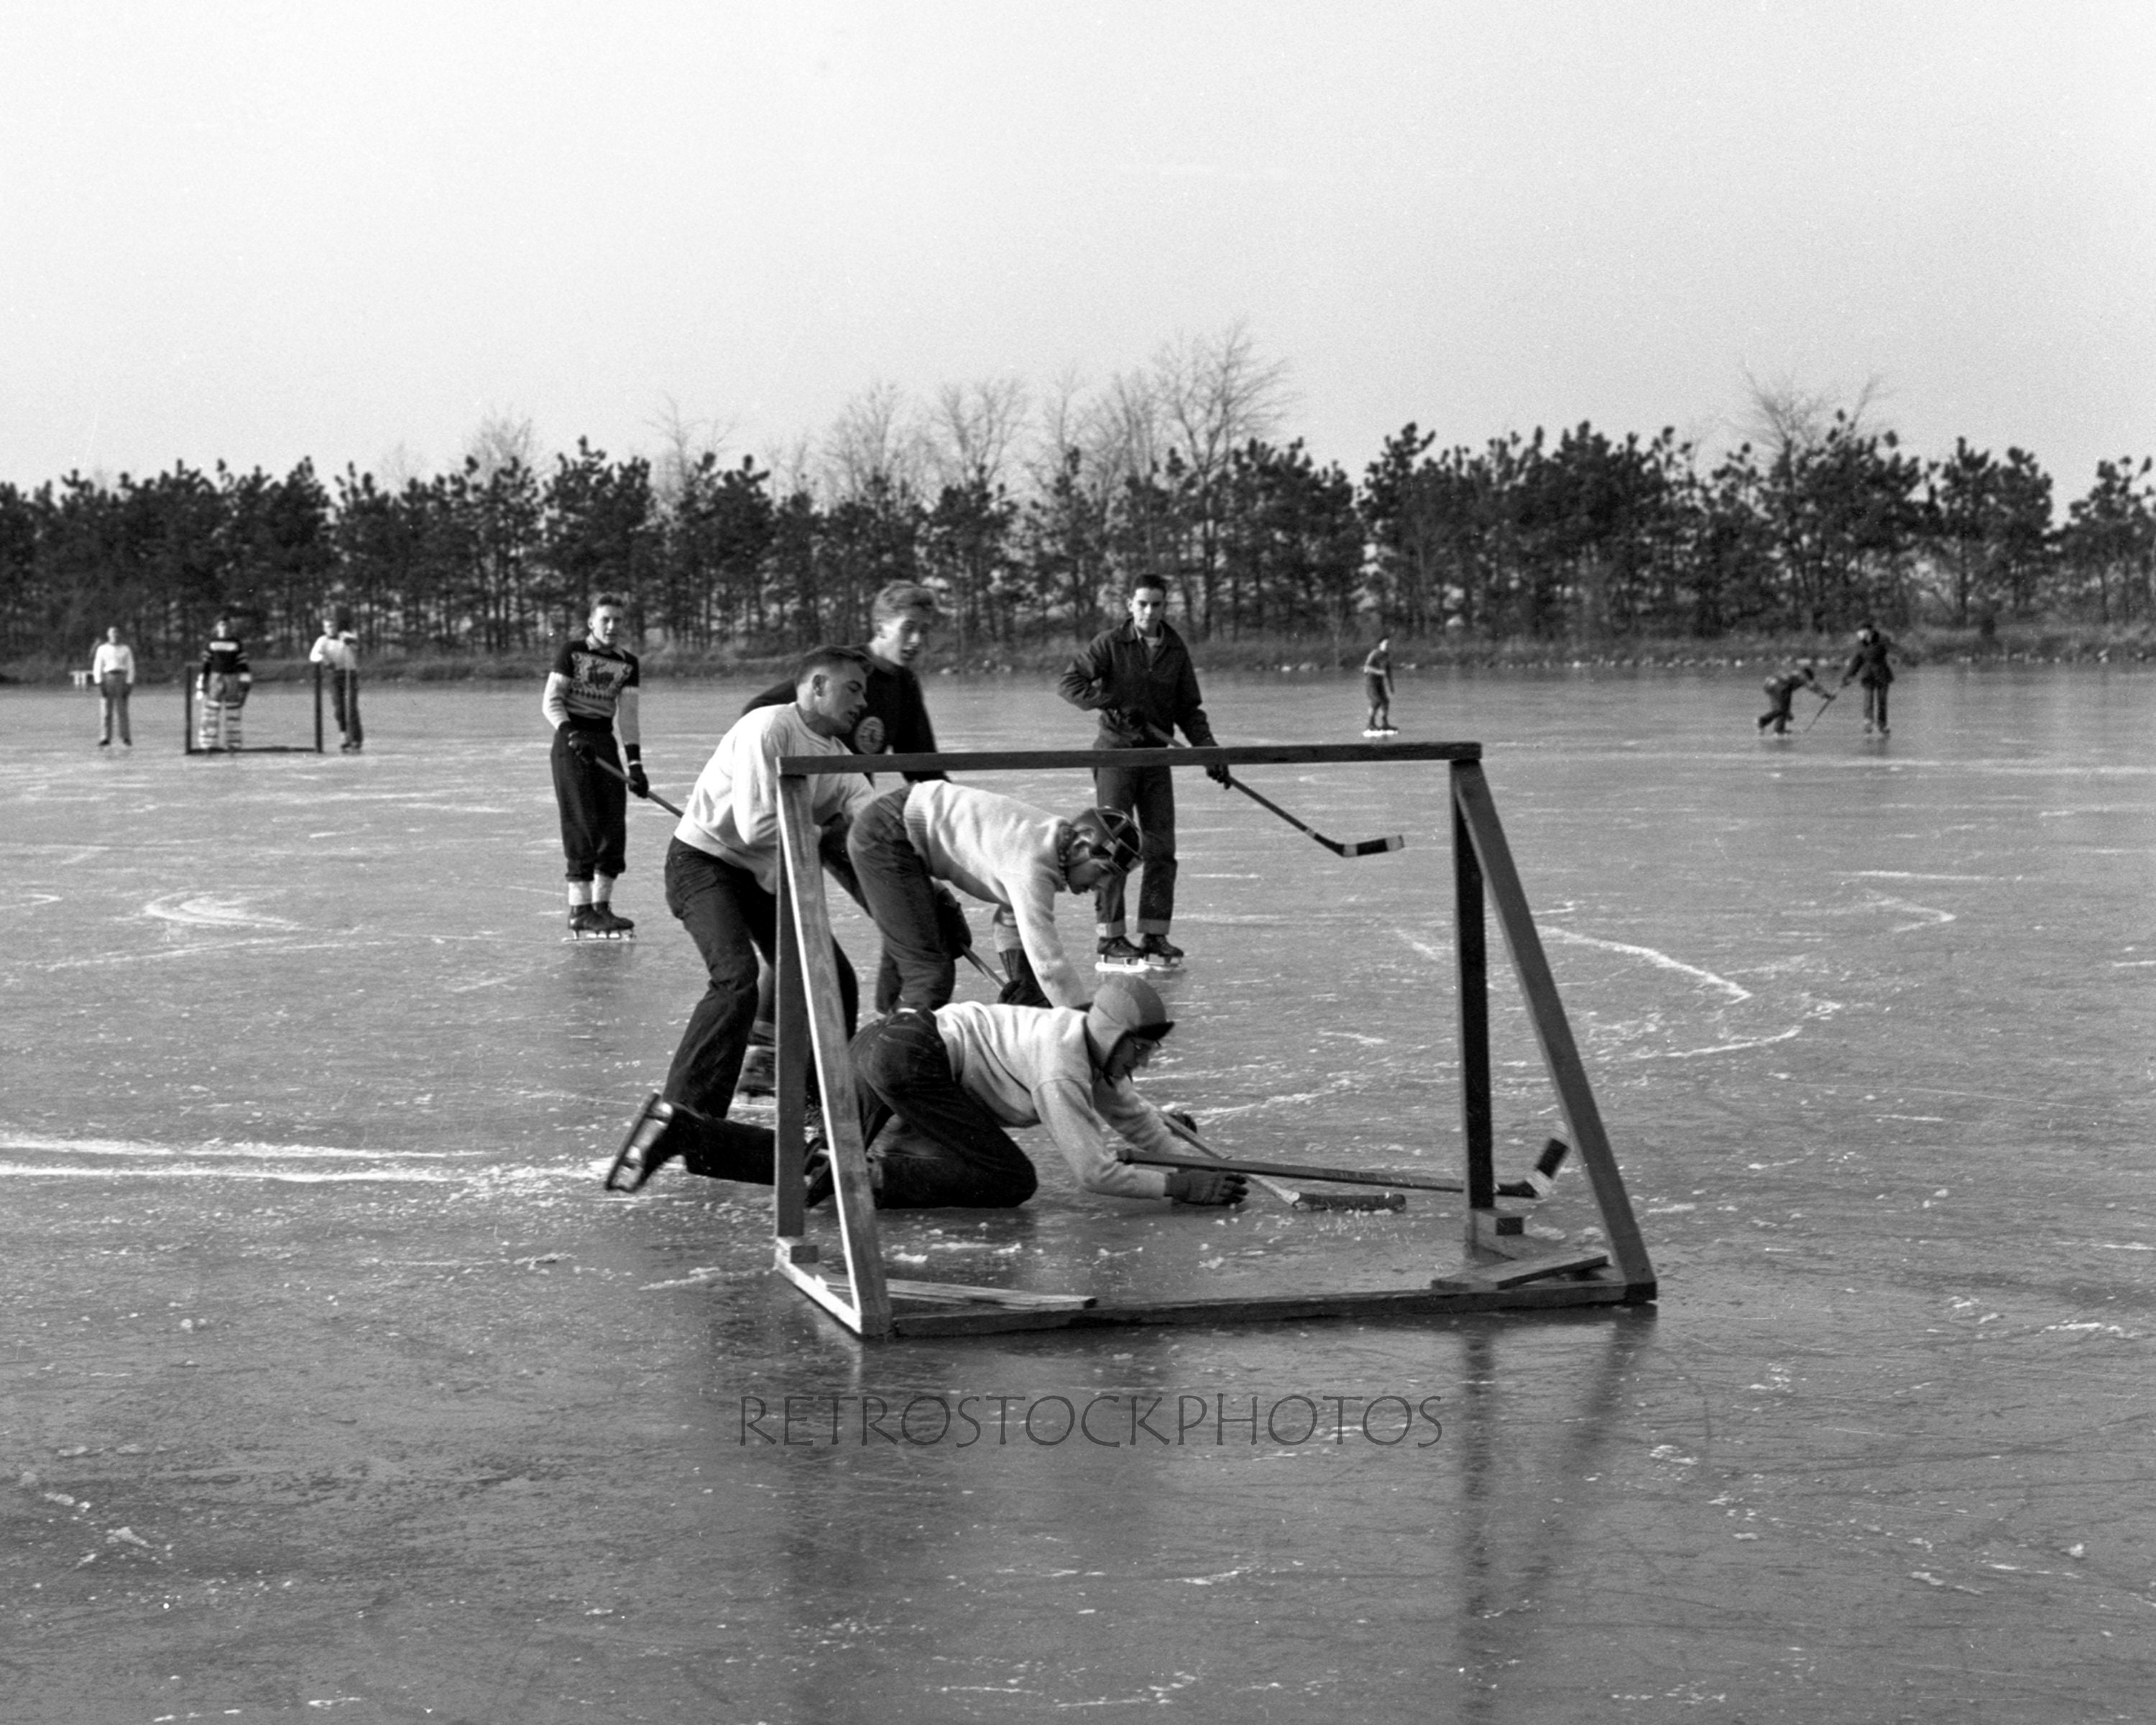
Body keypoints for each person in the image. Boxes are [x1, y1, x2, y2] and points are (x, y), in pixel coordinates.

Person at [610, 974, 1246, 1210]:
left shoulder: (1089, 1050)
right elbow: (1092, 1172)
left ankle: (685, 1133)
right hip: (913, 1061)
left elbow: (1139, 1124)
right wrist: (1178, 1187)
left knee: (824, 1163)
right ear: (1113, 1034)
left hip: (890, 1043)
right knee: (1010, 1180)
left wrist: (1199, 1162)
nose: (1146, 1058)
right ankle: (878, 1177)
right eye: (1142, 1045)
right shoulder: (1063, 1065)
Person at [733, 581, 949, 1094]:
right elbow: (758, 716)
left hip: (859, 823)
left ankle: (887, 1024)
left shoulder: (904, 685)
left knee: (908, 913)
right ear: (881, 629)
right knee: (897, 921)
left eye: (925, 631)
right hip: (819, 821)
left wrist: (956, 822)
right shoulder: (846, 674)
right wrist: (795, 784)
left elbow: (925, 766)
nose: (917, 640)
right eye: (908, 629)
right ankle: (771, 1052)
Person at [655, 645, 878, 1123]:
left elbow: (875, 825)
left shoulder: (839, 759)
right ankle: (686, 1112)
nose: (863, 703)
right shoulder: (768, 728)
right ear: (817, 686)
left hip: (761, 877)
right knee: (736, 981)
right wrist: (826, 833)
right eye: (853, 689)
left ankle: (825, 1109)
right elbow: (758, 826)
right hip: (704, 864)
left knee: (834, 980)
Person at [847, 780, 1143, 1016]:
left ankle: (885, 1029)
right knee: (929, 973)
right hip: (890, 835)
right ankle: (892, 1059)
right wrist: (1086, 1027)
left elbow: (1009, 919)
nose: (1102, 885)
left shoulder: (1053, 840)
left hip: (901, 829)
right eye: (1103, 871)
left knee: (918, 949)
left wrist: (1023, 982)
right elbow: (1050, 966)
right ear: (1081, 846)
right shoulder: (1033, 866)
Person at [1056, 576, 1230, 972]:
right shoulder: (1110, 644)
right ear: (1129, 605)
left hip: (1156, 760)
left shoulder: (1174, 649)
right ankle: (1111, 938)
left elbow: (1189, 710)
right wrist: (1112, 701)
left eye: (1157, 605)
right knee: (1113, 847)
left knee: (1161, 848)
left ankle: (1154, 935)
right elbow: (1069, 683)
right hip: (1116, 756)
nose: (1149, 612)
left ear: (1165, 606)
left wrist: (1211, 751)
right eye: (1142, 604)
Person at [542, 595, 646, 938]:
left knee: (612, 826)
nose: (613, 626)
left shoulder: (628, 663)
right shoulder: (571, 653)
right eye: (606, 620)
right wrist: (571, 734)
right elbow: (551, 702)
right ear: (592, 623)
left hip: (603, 743)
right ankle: (580, 910)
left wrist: (635, 765)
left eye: (618, 620)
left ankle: (602, 908)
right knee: (582, 823)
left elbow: (628, 716)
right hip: (572, 743)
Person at [309, 613, 364, 753]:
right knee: (339, 708)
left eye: (333, 626)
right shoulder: (322, 641)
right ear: (324, 628)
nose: (331, 629)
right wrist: (324, 660)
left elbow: (357, 646)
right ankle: (344, 736)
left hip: (349, 674)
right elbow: (313, 655)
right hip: (334, 676)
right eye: (328, 626)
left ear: (337, 627)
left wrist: (352, 643)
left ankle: (356, 740)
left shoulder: (345, 635)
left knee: (351, 707)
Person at [196, 617, 251, 751]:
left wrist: (245, 686)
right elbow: (206, 665)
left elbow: (243, 665)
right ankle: (208, 744)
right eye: (221, 624)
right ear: (217, 627)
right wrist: (202, 682)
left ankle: (234, 744)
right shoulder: (211, 643)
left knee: (233, 711)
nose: (224, 627)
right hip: (215, 678)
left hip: (232, 678)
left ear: (230, 627)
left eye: (226, 625)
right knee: (211, 711)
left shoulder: (236, 643)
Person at [1840, 622, 1897, 737]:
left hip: (1882, 674)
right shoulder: (1860, 645)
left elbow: (1892, 649)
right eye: (1858, 633)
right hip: (1867, 675)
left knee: (1882, 701)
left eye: (1861, 632)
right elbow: (1856, 662)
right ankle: (1868, 722)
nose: (1859, 635)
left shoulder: (1882, 640)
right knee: (1868, 699)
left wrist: (1902, 657)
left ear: (1868, 631)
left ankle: (1882, 725)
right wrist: (1846, 677)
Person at [91, 627, 134, 748]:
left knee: (122, 711)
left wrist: (129, 683)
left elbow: (130, 666)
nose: (115, 635)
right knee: (106, 710)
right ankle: (105, 737)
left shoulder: (125, 649)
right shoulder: (102, 649)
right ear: (108, 635)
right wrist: (99, 682)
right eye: (112, 633)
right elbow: (98, 666)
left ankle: (125, 737)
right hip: (108, 678)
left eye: (116, 633)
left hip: (121, 677)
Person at [1756, 660, 1825, 736]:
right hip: (1779, 686)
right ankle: (1762, 721)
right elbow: (1812, 685)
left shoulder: (1792, 675)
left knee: (1780, 709)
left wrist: (1787, 712)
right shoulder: (1802, 675)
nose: (1801, 686)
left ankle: (1779, 730)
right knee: (1782, 709)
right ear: (1808, 675)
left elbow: (1786, 702)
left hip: (1768, 684)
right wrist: (1826, 694)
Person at [1361, 635, 1397, 735]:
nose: (1387, 646)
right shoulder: (1374, 654)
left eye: (1389, 644)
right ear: (1380, 644)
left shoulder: (1387, 655)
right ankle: (1370, 724)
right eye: (1386, 644)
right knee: (1376, 701)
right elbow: (1366, 668)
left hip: (1380, 683)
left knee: (1385, 701)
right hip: (1371, 682)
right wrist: (1379, 672)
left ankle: (1385, 723)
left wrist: (1391, 685)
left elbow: (1388, 671)